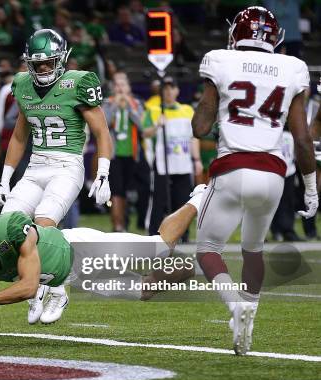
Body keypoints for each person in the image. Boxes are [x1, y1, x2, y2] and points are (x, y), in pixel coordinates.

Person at [191, 6, 317, 355]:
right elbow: (303, 138)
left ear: (236, 34)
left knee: (208, 250)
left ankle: (236, 308)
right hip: (274, 174)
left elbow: (199, 127)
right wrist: (310, 189)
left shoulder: (220, 60)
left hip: (232, 168)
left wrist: (217, 115)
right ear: (274, 38)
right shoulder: (292, 67)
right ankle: (249, 313)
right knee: (253, 249)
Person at [0, 189, 204, 344]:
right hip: (71, 278)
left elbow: (29, 286)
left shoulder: (10, 227)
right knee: (144, 291)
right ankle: (194, 266)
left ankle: (200, 197)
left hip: (78, 247)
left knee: (160, 244)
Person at [0, 29, 113, 325]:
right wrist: (5, 178)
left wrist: (103, 174)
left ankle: (57, 290)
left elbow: (101, 131)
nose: (44, 68)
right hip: (35, 167)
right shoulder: (22, 84)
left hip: (66, 166)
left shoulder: (78, 82)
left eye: (49, 62)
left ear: (61, 60)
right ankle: (40, 289)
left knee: (44, 226)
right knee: (8, 230)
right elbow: (20, 135)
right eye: (38, 64)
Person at [142, 77, 202, 242]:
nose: (168, 91)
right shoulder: (154, 110)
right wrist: (156, 126)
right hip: (162, 163)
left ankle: (183, 235)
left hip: (183, 163)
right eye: (165, 88)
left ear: (177, 90)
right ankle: (154, 235)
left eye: (172, 88)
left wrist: (196, 160)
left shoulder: (187, 110)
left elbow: (193, 137)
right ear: (161, 91)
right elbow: (144, 133)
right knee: (159, 201)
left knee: (183, 200)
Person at [102, 72, 147, 232]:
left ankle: (124, 222)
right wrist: (115, 106)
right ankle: (117, 225)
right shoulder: (107, 103)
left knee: (126, 191)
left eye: (123, 84)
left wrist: (129, 106)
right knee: (116, 190)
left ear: (128, 87)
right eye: (117, 84)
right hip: (113, 154)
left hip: (132, 153)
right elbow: (104, 124)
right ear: (113, 87)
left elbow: (143, 127)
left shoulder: (136, 103)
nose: (120, 88)